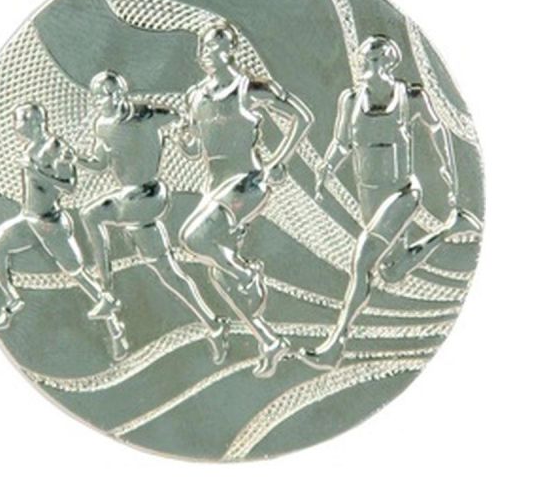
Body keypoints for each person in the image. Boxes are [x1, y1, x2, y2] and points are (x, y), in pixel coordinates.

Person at [311, 35, 480, 366]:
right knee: (390, 270)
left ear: (388, 63)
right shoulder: (350, 100)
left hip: (402, 193)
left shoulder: (409, 97)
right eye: (363, 61)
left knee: (362, 260)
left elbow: (437, 129)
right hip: (369, 195)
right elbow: (342, 142)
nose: (365, 67)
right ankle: (451, 228)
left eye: (373, 60)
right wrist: (326, 168)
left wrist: (447, 170)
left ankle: (336, 342)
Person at [177, 23, 314, 377]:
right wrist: (185, 143)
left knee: (193, 237)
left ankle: (247, 273)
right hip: (215, 188)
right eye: (205, 47)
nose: (209, 53)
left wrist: (277, 162)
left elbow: (302, 117)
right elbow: (195, 148)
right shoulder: (195, 96)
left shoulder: (250, 89)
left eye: (216, 46)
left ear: (231, 51)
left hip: (247, 184)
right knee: (219, 274)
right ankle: (268, 340)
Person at [79, 71, 229, 364]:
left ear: (122, 92)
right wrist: (76, 159)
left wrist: (187, 137)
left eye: (112, 92)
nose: (108, 99)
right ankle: (214, 325)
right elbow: (100, 163)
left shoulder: (145, 114)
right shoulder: (103, 126)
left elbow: (181, 118)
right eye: (101, 95)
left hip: (149, 194)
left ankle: (107, 292)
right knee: (168, 272)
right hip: (134, 204)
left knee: (91, 214)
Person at [0, 103, 129, 360]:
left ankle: (116, 329)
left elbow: (69, 186)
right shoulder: (31, 148)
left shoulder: (56, 148)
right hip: (29, 220)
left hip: (50, 224)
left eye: (19, 121)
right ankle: (12, 298)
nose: (16, 127)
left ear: (34, 123)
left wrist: (36, 171)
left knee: (78, 275)